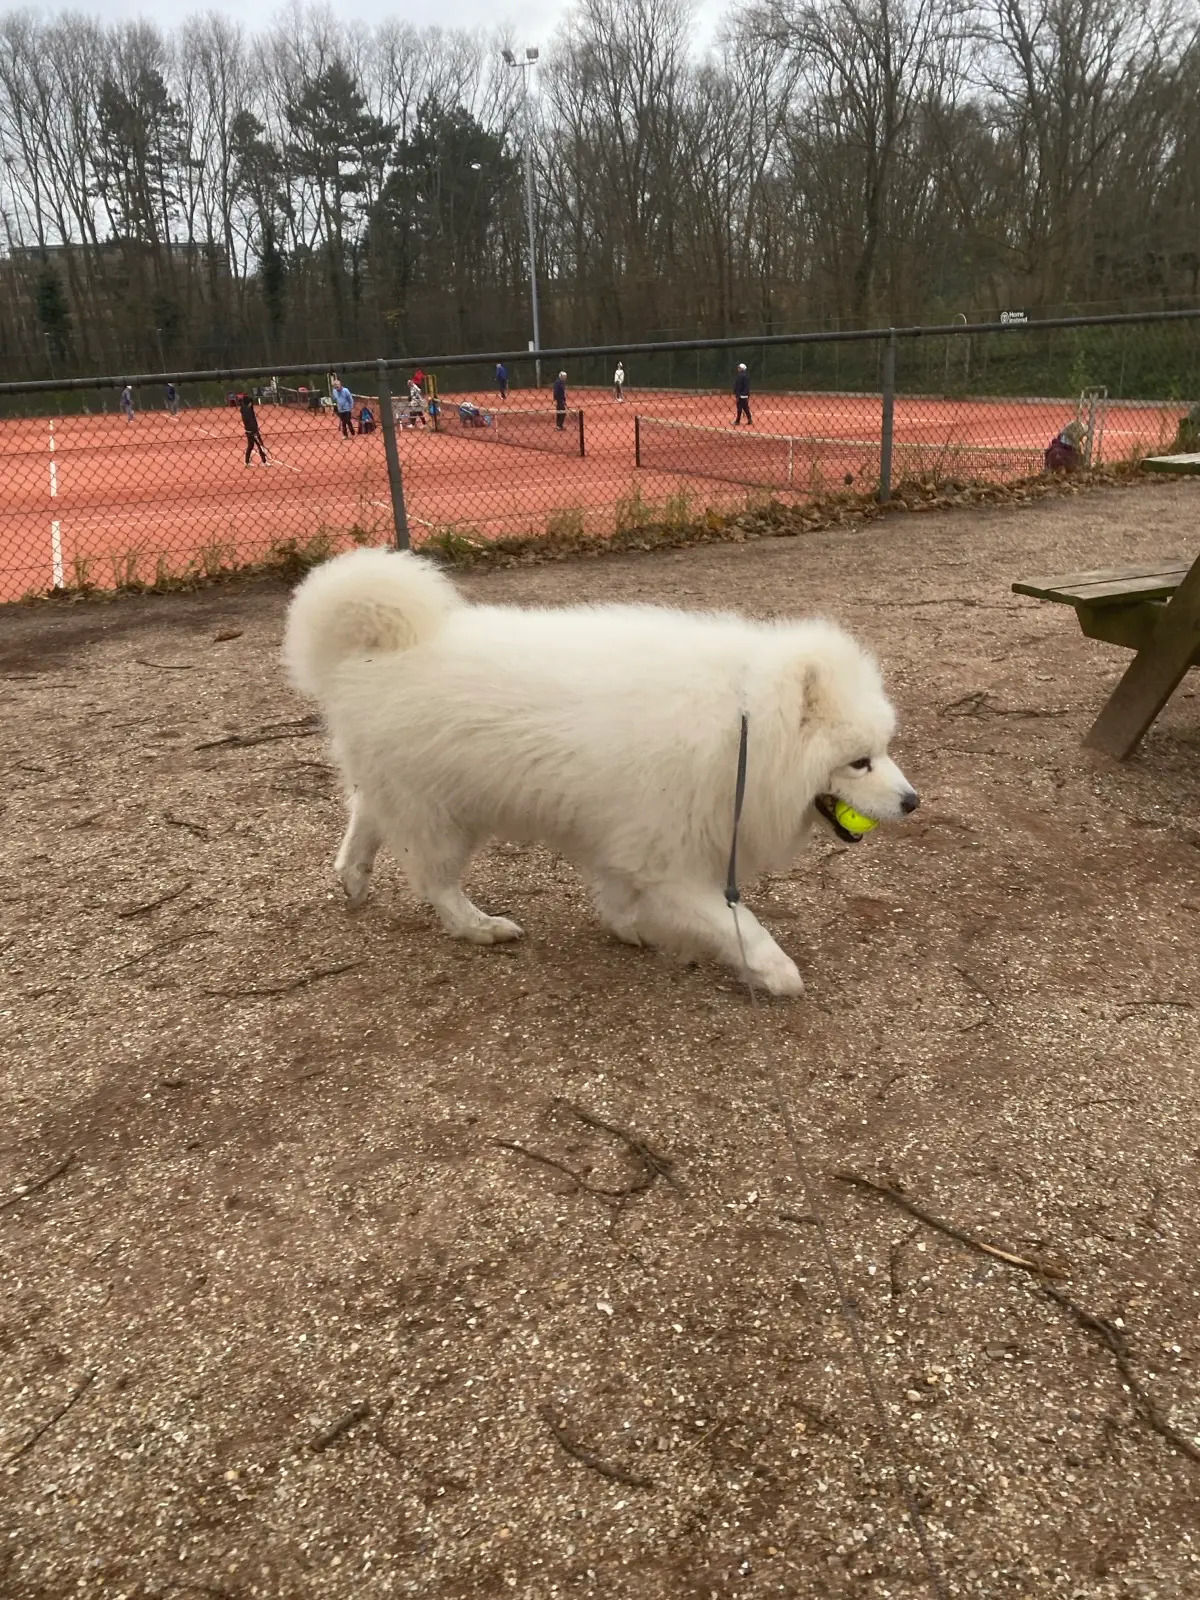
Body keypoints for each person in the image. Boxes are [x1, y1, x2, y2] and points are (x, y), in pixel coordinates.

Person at [239, 393, 268, 464]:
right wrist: (255, 430)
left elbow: (243, 402)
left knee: (250, 446)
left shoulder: (243, 408)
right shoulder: (248, 411)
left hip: (247, 430)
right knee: (260, 445)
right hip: (253, 430)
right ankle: (264, 461)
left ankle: (247, 462)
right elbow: (251, 421)